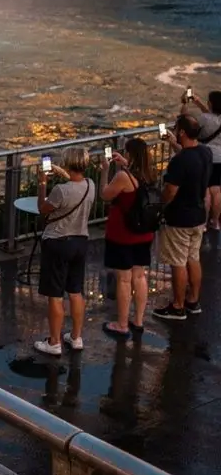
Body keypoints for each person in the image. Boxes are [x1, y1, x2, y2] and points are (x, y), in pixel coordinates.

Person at [33, 147, 96, 357]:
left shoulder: (61, 190)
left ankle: (54, 342)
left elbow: (42, 208)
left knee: (55, 295)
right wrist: (63, 173)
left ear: (67, 163)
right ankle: (76, 338)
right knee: (75, 291)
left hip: (58, 243)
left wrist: (42, 183)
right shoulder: (90, 185)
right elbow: (75, 185)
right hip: (80, 242)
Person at [153, 114, 212, 322]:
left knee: (178, 262)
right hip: (198, 216)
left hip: (179, 218)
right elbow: (190, 158)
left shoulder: (179, 161)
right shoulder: (205, 152)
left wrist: (160, 205)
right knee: (193, 258)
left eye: (176, 129)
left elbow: (171, 190)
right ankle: (193, 301)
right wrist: (173, 144)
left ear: (182, 132)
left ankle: (177, 306)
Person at [100, 138, 157, 339]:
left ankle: (122, 324)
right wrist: (125, 164)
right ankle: (138, 321)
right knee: (139, 276)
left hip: (123, 234)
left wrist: (105, 171)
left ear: (130, 154)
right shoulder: (150, 173)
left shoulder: (123, 177)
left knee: (124, 279)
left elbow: (105, 195)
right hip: (144, 233)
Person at [183, 90, 221, 229]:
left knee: (205, 191)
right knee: (216, 190)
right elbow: (212, 116)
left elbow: (187, 122)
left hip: (205, 156)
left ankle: (203, 223)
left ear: (210, 103)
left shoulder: (204, 118)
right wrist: (198, 102)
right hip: (219, 158)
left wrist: (185, 103)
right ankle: (215, 222)